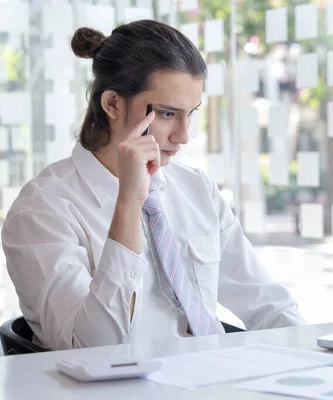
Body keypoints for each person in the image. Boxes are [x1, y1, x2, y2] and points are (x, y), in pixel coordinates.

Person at [1, 20, 305, 350]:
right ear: (113, 104)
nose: (183, 136)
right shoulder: (43, 209)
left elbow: (266, 302)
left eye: (191, 113)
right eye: (166, 114)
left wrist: (320, 363)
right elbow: (93, 346)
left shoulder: (195, 188)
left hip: (214, 377)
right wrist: (128, 204)